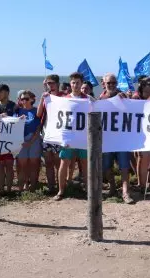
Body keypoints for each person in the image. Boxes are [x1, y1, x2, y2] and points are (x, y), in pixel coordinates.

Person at [52, 72, 89, 201]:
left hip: (83, 138)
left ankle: (89, 191)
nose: (75, 85)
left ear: (81, 83)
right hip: (68, 137)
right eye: (73, 82)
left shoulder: (88, 99)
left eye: (78, 82)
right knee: (64, 164)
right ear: (70, 84)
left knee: (85, 165)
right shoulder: (65, 99)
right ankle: (61, 191)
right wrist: (46, 97)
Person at [100, 73, 134, 204]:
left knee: (124, 166)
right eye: (109, 83)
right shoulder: (101, 99)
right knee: (106, 166)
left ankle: (125, 192)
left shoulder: (123, 96)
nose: (111, 85)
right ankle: (113, 187)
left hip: (121, 139)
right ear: (104, 84)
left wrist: (128, 99)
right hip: (107, 140)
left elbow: (132, 110)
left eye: (114, 83)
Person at [37, 74, 62, 193]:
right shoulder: (46, 97)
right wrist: (42, 98)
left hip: (58, 134)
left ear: (57, 83)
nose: (50, 85)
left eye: (52, 83)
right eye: (48, 83)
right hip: (46, 133)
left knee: (58, 161)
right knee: (48, 162)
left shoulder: (63, 96)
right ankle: (51, 187)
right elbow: (39, 114)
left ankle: (60, 186)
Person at [14, 90, 42, 191]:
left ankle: (33, 184)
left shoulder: (36, 111)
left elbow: (39, 128)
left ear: (31, 99)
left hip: (34, 139)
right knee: (23, 164)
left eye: (26, 99)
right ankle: (25, 184)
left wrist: (31, 141)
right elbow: (13, 125)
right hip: (21, 141)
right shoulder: (18, 111)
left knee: (34, 163)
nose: (24, 101)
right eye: (22, 99)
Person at [136, 78, 150, 190]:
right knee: (142, 157)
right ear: (143, 86)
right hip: (139, 132)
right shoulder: (135, 98)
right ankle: (141, 184)